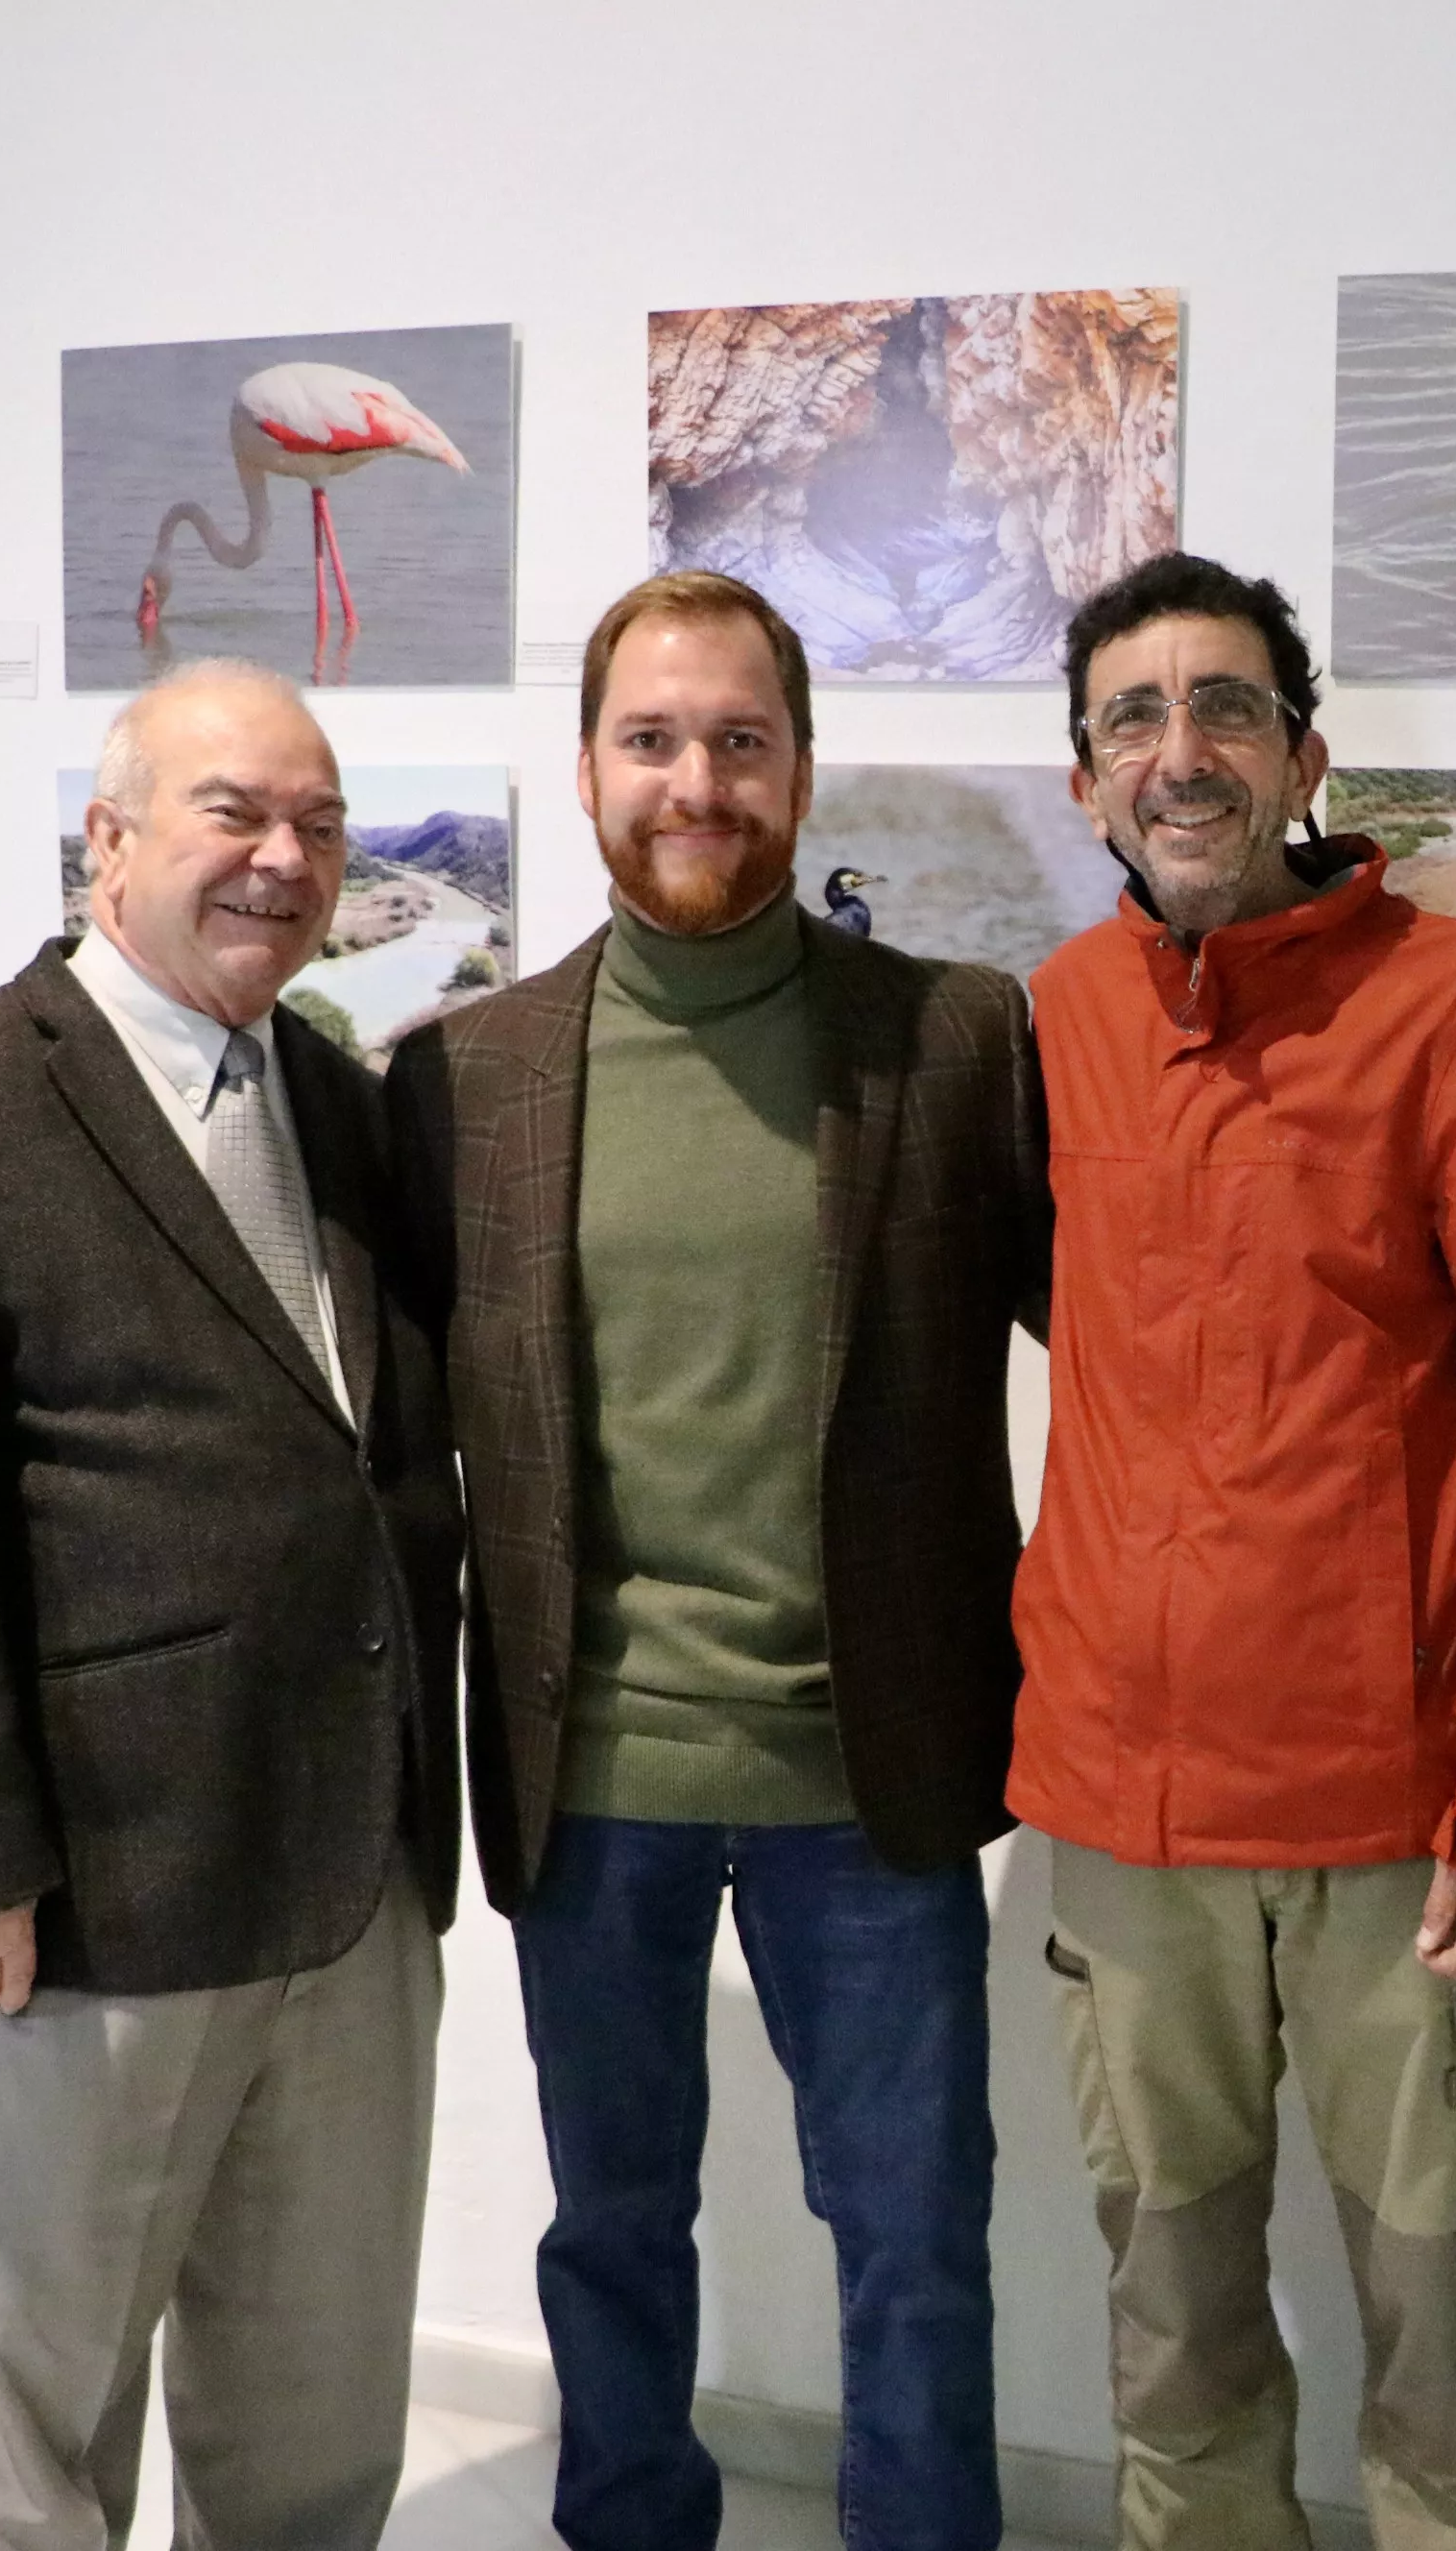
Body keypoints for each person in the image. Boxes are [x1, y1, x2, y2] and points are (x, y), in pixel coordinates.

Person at [381, 571, 1047, 2551]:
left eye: (739, 740)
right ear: (587, 768)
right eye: (654, 739)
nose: (698, 780)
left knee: (917, 2240)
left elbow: (1136, 1342)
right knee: (610, 2230)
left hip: (876, 1779)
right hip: (594, 1784)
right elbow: (393, 1449)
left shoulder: (952, 1040)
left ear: (802, 768)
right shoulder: (463, 1077)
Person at [0, 661, 465, 2549]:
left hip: (353, 1873)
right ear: (110, 838)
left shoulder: (336, 1092)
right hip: (94, 1888)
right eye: (233, 812)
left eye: (319, 827)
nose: (281, 858)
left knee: (318, 2426)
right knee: (34, 2435)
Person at [1012, 553, 1456, 2551]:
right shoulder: (1054, 1021)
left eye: (1224, 709)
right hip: (1124, 1830)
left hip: (1402, 1833)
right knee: (1171, 2343)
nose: (1179, 752)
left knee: (1441, 2365)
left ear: (1304, 750)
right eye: (1135, 717)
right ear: (1084, 778)